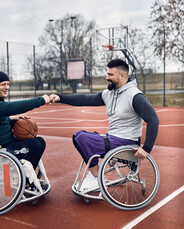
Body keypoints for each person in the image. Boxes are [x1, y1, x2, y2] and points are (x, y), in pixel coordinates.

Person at [50, 59, 159, 190]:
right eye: (107, 74)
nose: (107, 77)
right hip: (113, 138)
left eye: (111, 75)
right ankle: (96, 174)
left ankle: (96, 178)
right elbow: (85, 99)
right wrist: (61, 98)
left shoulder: (135, 96)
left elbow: (153, 119)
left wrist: (146, 148)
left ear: (122, 75)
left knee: (83, 138)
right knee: (78, 135)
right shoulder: (110, 94)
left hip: (126, 141)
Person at [0, 70, 50, 191]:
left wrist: (13, 121)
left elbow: (1, 122)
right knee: (34, 144)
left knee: (40, 141)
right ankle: (25, 183)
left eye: (8, 84)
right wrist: (41, 100)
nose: (7, 87)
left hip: (5, 145)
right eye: (3, 84)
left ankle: (26, 179)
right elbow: (13, 107)